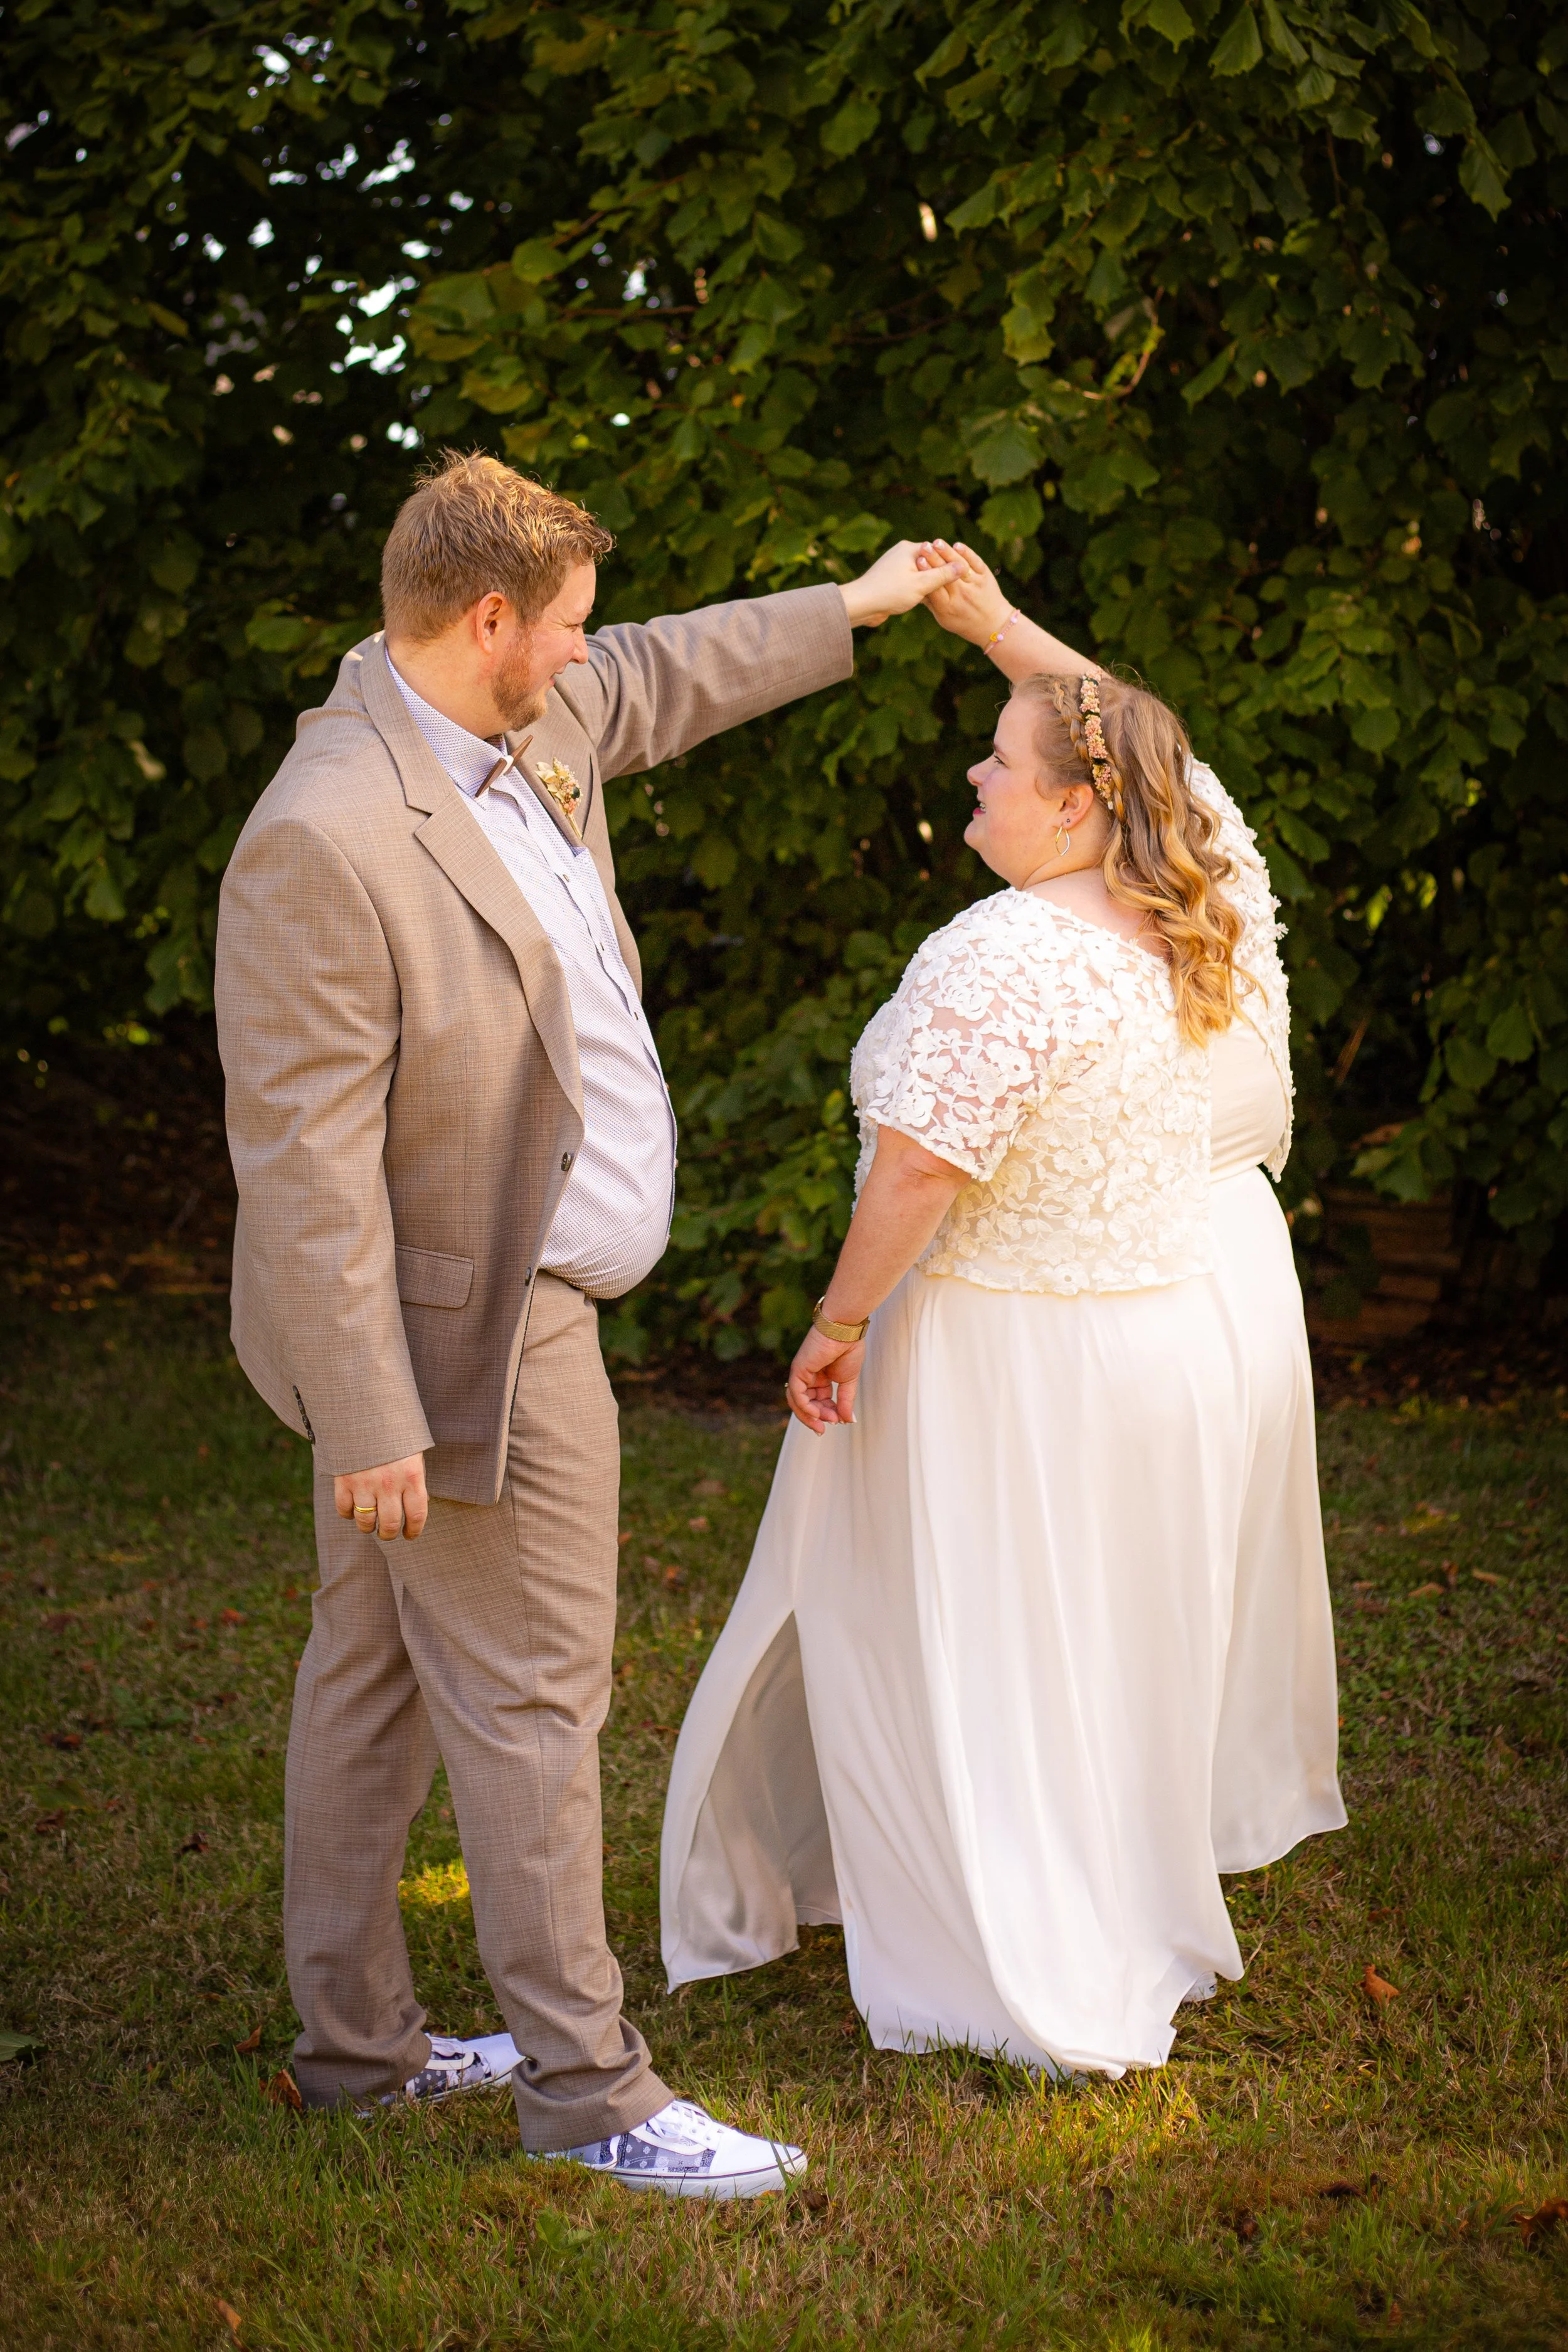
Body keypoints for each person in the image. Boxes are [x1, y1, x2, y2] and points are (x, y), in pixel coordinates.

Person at [214, 450, 958, 2195]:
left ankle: (357, 2050)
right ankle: (590, 2085)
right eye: (561, 628)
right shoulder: (325, 833)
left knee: (375, 1679)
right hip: (469, 1333)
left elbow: (666, 673)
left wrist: (850, 603)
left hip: (492, 1305)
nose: (584, 656)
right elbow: (305, 1162)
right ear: (487, 622)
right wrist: (374, 1407)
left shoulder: (518, 721)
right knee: (537, 1700)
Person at [659, 544, 1345, 2077]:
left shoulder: (1008, 953)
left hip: (999, 1358)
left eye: (1000, 757)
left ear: (1079, 799)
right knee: (1096, 1638)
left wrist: (835, 1324)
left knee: (966, 1631)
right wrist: (990, 631)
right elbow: (1161, 749)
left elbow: (916, 1170)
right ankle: (1103, 1891)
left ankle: (999, 1934)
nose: (974, 766)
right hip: (1163, 1334)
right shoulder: (1201, 901)